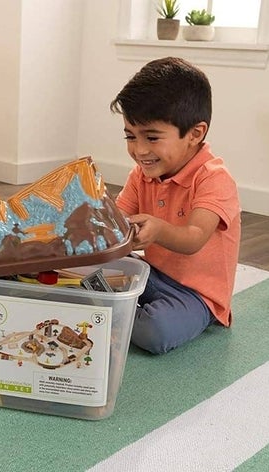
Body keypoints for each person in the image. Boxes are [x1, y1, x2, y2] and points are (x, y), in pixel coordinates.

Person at [109, 57, 240, 354]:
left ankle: (106, 312)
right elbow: (117, 220)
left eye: (152, 138)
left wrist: (156, 231)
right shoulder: (140, 174)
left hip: (196, 296)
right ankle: (112, 304)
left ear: (195, 133)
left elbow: (194, 237)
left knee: (156, 332)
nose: (139, 150)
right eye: (131, 136)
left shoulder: (214, 178)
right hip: (150, 273)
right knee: (85, 265)